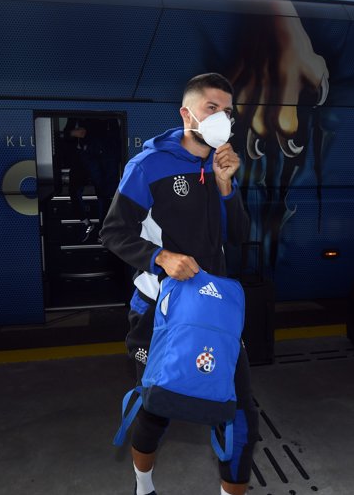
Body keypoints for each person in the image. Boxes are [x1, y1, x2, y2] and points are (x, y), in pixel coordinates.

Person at [101, 73, 259, 495]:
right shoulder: (149, 165)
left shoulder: (221, 164)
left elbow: (239, 235)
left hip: (214, 309)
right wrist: (160, 258)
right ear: (187, 114)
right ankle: (144, 487)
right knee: (157, 408)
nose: (222, 117)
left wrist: (226, 186)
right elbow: (113, 232)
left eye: (228, 111)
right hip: (159, 308)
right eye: (212, 108)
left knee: (239, 414)